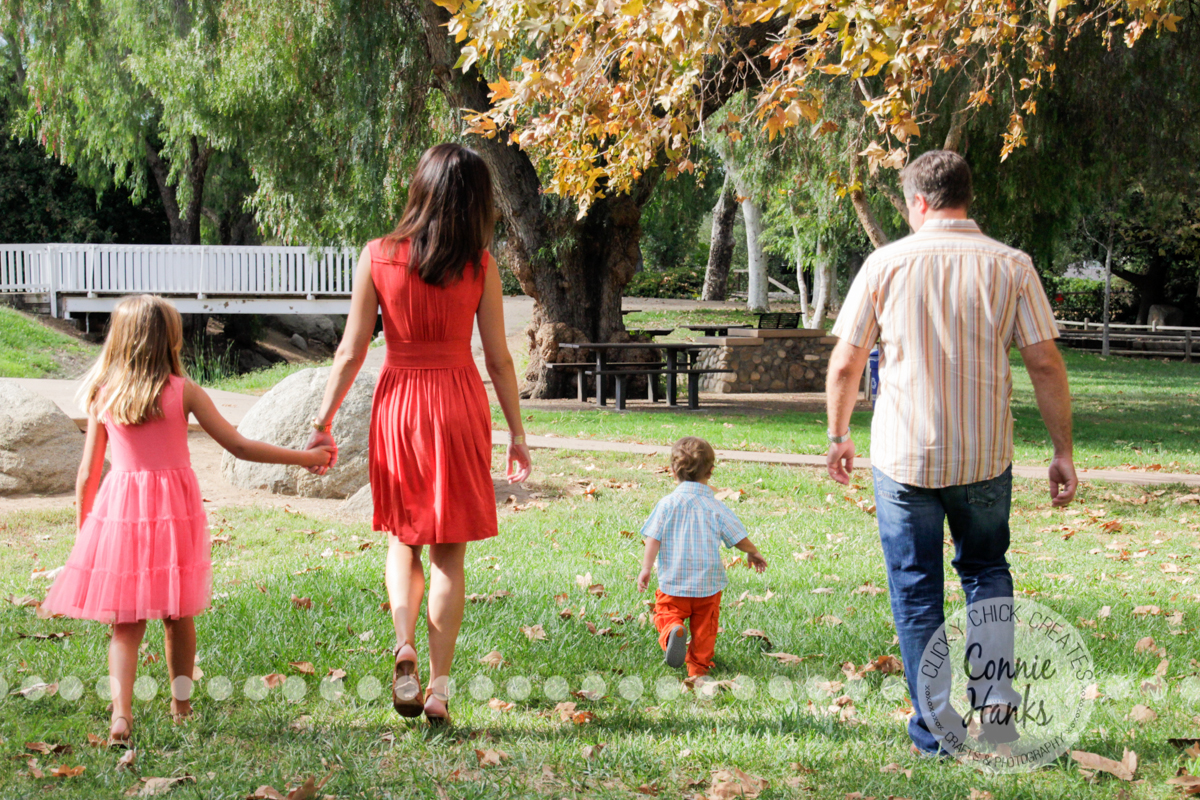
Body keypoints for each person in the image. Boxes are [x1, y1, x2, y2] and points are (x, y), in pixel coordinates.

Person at [824, 150, 1077, 756]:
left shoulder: (884, 264)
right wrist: (1062, 450)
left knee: (916, 589)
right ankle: (997, 715)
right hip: (984, 456)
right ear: (967, 196)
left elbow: (846, 364)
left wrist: (838, 436)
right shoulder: (1012, 266)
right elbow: (1045, 363)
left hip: (903, 458)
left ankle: (938, 733)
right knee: (987, 573)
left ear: (918, 201)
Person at [40, 295, 332, 746]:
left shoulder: (103, 393)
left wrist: (86, 535)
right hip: (173, 514)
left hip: (120, 515)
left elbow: (87, 475)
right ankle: (181, 708)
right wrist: (305, 457)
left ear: (120, 339)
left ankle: (121, 716)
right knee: (178, 614)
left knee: (126, 623)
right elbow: (238, 446)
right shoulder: (184, 391)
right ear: (170, 340)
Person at [305, 143, 531, 726]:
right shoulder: (479, 265)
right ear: (475, 201)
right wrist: (517, 432)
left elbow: (351, 350)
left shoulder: (377, 255)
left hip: (400, 404)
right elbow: (500, 359)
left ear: (421, 188)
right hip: (458, 403)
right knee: (448, 553)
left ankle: (403, 641)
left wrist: (322, 423)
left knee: (402, 540)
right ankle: (438, 690)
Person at [636, 437, 767, 678]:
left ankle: (672, 631)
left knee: (666, 613)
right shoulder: (715, 507)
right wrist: (753, 552)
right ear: (711, 471)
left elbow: (653, 537)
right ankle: (697, 669)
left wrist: (646, 568)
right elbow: (738, 537)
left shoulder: (667, 504)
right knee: (705, 629)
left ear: (673, 471)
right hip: (708, 586)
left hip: (674, 583)